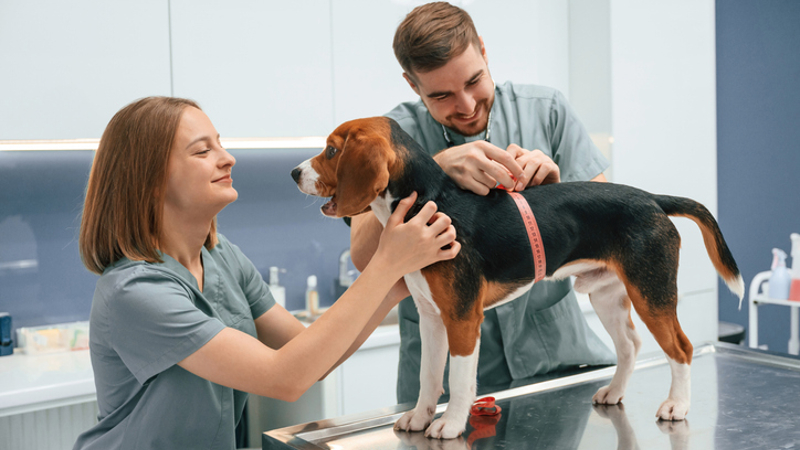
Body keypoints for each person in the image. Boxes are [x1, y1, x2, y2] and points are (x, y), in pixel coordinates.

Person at [74, 96, 460, 449]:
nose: (227, 158)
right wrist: (387, 263)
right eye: (203, 151)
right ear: (152, 181)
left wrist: (394, 285)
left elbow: (314, 357)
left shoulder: (223, 258)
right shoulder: (136, 291)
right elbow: (285, 377)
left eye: (220, 144)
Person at [349, 2, 616, 404]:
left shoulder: (548, 112)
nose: (467, 105)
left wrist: (555, 196)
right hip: (442, 393)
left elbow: (611, 228)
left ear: (484, 51)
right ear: (412, 85)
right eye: (442, 95)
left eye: (475, 80)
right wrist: (433, 170)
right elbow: (364, 256)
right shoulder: (388, 139)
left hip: (558, 368)